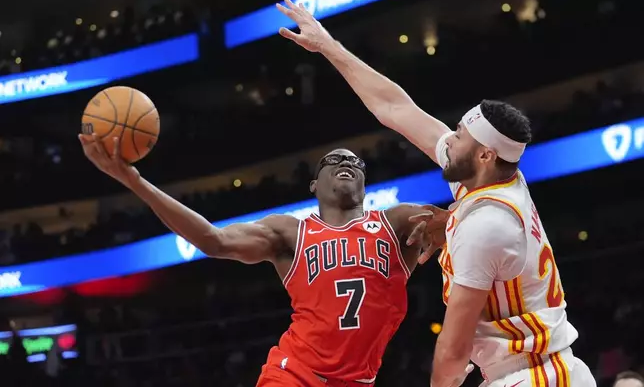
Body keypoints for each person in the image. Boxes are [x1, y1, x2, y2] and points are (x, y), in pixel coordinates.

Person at [276, 0, 597, 387]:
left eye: (460, 135)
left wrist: (454, 226)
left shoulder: (486, 225)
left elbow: (452, 350)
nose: (449, 139)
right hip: (536, 370)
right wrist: (328, 44)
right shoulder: (489, 179)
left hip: (538, 377)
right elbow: (394, 107)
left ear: (484, 153)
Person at [78, 134, 453, 386]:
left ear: (364, 183)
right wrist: (135, 182)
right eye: (333, 160)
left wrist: (450, 229)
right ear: (314, 185)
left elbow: (473, 219)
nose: (346, 161)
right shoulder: (290, 233)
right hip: (294, 373)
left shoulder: (398, 221)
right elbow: (214, 239)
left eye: (355, 161)